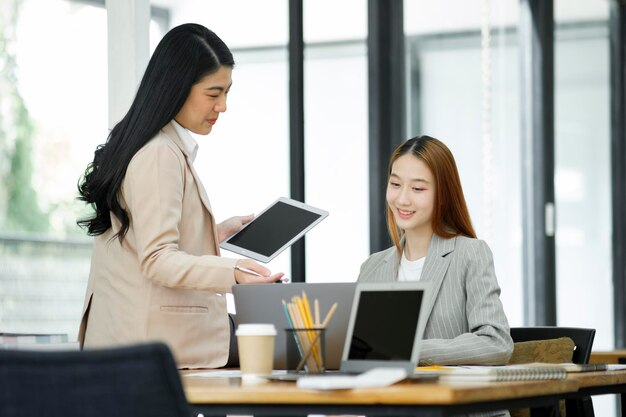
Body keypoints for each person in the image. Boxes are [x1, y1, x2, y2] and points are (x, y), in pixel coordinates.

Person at [76, 23, 283, 369]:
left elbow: (141, 238)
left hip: (126, 334)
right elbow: (157, 259)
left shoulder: (145, 144)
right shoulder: (159, 154)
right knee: (287, 342)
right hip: (148, 338)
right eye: (213, 94)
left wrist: (215, 233)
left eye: (227, 93)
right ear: (176, 88)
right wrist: (234, 272)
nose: (223, 106)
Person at [358, 135, 513, 366]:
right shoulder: (372, 266)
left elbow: (496, 342)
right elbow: (358, 351)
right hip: (383, 397)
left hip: (448, 397)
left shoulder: (470, 254)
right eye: (395, 184)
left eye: (418, 188)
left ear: (443, 195)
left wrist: (409, 350)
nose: (402, 199)